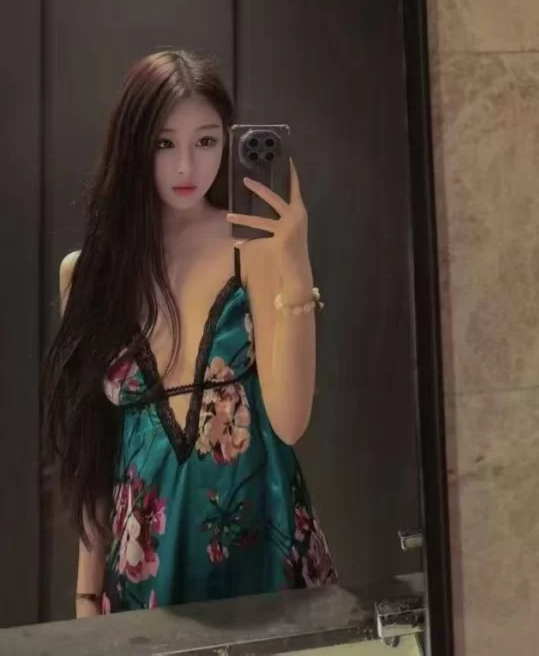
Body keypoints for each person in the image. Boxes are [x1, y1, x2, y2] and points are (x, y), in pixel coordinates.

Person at [42, 49, 336, 616]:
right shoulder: (88, 276)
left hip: (259, 559)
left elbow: (290, 422)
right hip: (143, 575)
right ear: (133, 146)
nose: (186, 167)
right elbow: (93, 451)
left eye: (205, 141)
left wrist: (296, 268)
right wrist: (85, 595)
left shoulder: (253, 252)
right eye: (164, 143)